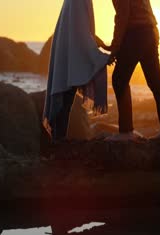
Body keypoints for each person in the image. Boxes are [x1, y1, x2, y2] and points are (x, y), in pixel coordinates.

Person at [108, 0, 160, 141]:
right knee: (155, 82)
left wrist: (115, 47)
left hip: (135, 33)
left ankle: (126, 132)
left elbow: (123, 14)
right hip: (150, 31)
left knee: (119, 80)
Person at [44, 0, 110, 141]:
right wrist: (101, 58)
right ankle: (58, 146)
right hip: (70, 60)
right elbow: (82, 34)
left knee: (64, 103)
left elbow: (80, 29)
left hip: (68, 57)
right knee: (64, 104)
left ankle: (58, 145)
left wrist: (98, 43)